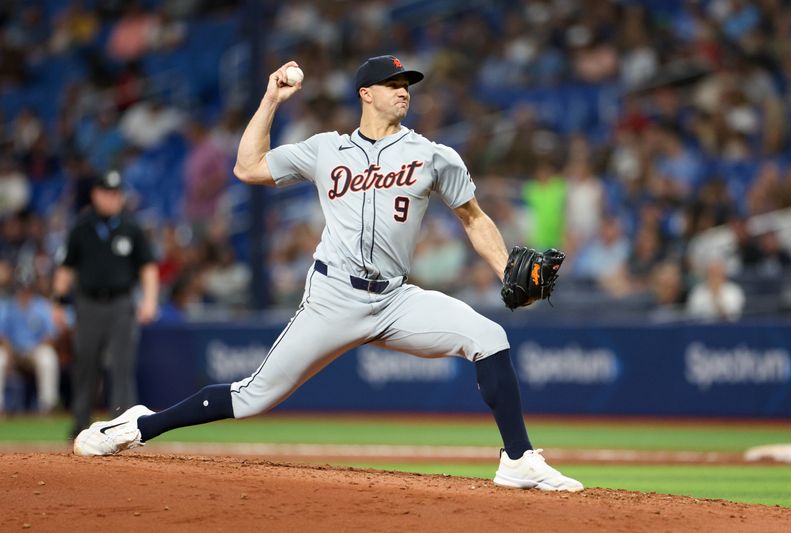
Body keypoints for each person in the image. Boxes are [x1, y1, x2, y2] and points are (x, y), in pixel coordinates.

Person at [73, 56, 583, 492]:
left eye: (408, 86)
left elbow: (473, 217)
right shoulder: (326, 149)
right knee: (254, 397)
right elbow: (247, 168)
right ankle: (139, 425)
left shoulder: (432, 154)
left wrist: (503, 271)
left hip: (396, 299)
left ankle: (517, 460)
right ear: (366, 93)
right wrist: (271, 98)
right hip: (333, 296)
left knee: (488, 335)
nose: (404, 92)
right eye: (394, 85)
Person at [52, 170, 158, 438]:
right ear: (95, 194)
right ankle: (80, 424)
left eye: (117, 194)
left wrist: (150, 300)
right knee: (86, 365)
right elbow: (65, 268)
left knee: (122, 366)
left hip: (121, 303)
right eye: (108, 193)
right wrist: (57, 303)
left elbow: (148, 267)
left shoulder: (131, 227)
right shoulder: (81, 227)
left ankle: (123, 428)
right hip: (87, 304)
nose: (113, 198)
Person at [0, 268, 59, 414]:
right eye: (21, 287)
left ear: (32, 288)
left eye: (27, 287)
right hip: (13, 351)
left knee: (48, 357)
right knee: (0, 358)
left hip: (34, 350)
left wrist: (35, 348)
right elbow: (3, 334)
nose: (24, 291)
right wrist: (9, 353)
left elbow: (51, 334)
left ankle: (47, 405)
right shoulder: (8, 306)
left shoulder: (41, 306)